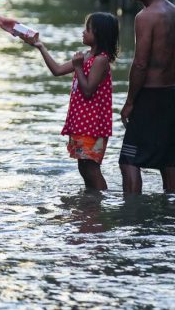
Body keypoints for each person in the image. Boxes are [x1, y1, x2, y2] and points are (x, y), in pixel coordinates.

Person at [23, 13, 119, 191]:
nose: (83, 32)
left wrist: (78, 68)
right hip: (81, 123)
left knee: (91, 168)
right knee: (83, 167)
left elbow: (88, 90)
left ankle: (100, 202)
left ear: (98, 34)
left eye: (87, 29)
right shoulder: (87, 56)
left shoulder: (101, 60)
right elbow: (57, 70)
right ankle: (90, 206)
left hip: (92, 125)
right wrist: (40, 46)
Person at [119, 0, 175, 195]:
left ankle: (132, 217)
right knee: (167, 163)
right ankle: (171, 216)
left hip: (151, 98)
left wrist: (129, 102)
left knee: (129, 161)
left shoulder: (145, 17)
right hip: (174, 96)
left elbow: (140, 64)